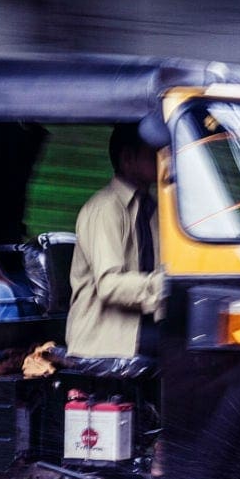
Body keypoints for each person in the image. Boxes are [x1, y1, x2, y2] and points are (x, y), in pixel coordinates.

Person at [66, 122, 165, 358]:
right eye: (154, 153)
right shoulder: (105, 209)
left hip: (141, 325)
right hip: (106, 333)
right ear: (128, 158)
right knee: (185, 348)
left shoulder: (152, 209)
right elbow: (109, 285)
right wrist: (164, 286)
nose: (163, 159)